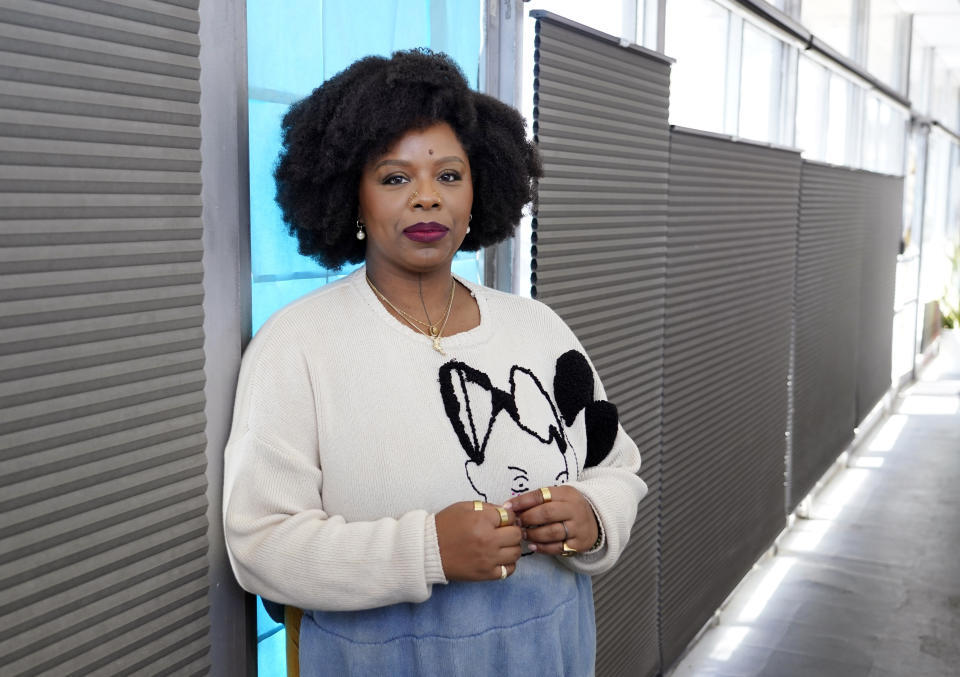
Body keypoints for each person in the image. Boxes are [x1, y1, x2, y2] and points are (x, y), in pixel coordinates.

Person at [223, 49, 647, 677]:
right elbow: (261, 546)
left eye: (449, 176)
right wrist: (428, 552)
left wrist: (592, 515)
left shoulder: (539, 328)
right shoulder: (298, 344)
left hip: (548, 651)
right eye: (395, 179)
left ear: (478, 192)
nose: (427, 198)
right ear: (352, 198)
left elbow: (616, 466)